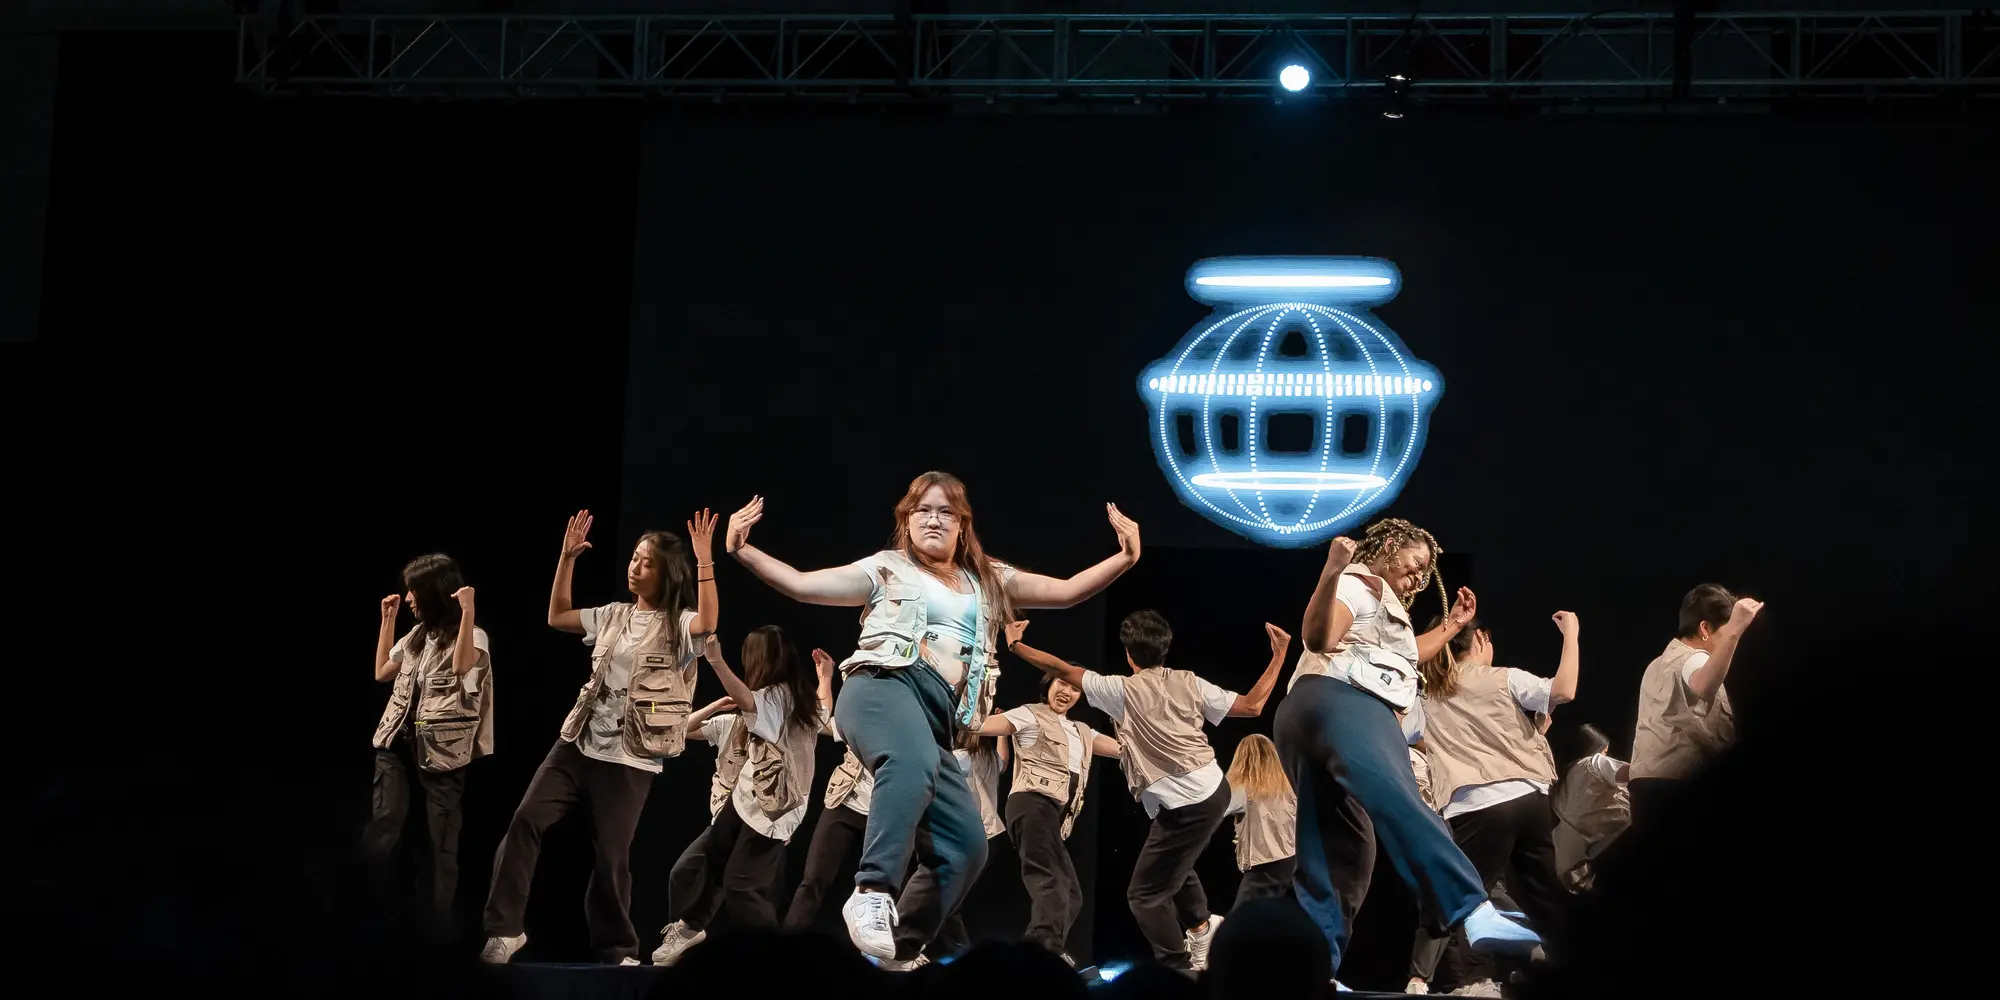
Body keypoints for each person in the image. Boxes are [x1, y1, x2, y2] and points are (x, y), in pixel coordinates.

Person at [723, 473, 1142, 961]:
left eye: (946, 512)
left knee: (966, 845)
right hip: (882, 687)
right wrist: (740, 550)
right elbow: (800, 585)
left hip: (935, 722)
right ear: (907, 519)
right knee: (912, 762)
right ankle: (872, 891)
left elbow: (1068, 591)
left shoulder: (989, 579)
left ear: (963, 525)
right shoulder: (886, 569)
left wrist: (1126, 558)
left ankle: (898, 950)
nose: (934, 519)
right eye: (923, 510)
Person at [1277, 519, 1541, 983]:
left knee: (1340, 852)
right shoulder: (1364, 583)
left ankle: (1312, 971)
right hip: (1346, 704)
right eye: (1416, 562)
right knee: (1403, 800)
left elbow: (1406, 655)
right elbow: (1319, 638)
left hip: (1302, 715)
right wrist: (1331, 572)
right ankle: (1470, 908)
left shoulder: (1382, 606)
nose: (1421, 575)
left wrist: (1452, 626)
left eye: (1427, 571)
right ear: (1387, 548)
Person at [480, 510, 719, 965]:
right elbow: (557, 616)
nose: (634, 567)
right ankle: (505, 931)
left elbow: (707, 622)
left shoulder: (680, 624)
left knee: (612, 857)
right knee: (525, 821)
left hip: (631, 757)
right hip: (578, 742)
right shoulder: (613, 615)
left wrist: (705, 558)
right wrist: (566, 558)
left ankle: (616, 949)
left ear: (666, 574)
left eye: (646, 562)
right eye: (633, 558)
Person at [1008, 615, 1291, 973]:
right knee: (1175, 866)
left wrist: (1015, 645)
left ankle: (1178, 969)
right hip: (1210, 790)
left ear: (1129, 655)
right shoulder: (1189, 682)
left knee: (1144, 896)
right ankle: (1202, 927)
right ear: (1165, 648)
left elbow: (1060, 667)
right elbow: (1253, 705)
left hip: (1187, 804)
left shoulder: (1119, 689)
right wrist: (1279, 653)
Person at [1404, 611, 1580, 995]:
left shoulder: (1426, 700)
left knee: (1450, 891)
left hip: (1479, 807)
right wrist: (1572, 634)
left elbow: (1402, 735)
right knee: (1542, 894)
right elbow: (1563, 691)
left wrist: (1440, 743)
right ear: (1481, 639)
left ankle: (1419, 978)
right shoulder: (1504, 678)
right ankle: (1571, 969)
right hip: (1530, 801)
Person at [653, 631, 833, 964]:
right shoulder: (799, 699)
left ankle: (775, 957)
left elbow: (748, 699)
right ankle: (691, 928)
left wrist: (716, 661)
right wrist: (825, 678)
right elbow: (824, 707)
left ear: (759, 660)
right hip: (744, 798)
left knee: (740, 887)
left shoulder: (779, 696)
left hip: (772, 811)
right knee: (711, 859)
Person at [363, 553, 493, 920]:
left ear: (435, 592)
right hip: (397, 745)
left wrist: (467, 612)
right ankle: (364, 911)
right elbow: (382, 672)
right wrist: (387, 621)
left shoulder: (473, 636)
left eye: (414, 591)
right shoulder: (418, 636)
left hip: (443, 751)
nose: (408, 599)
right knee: (384, 825)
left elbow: (461, 665)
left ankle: (434, 928)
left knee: (439, 844)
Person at [973, 671, 1122, 962]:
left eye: (1075, 689)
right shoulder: (1029, 714)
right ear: (1049, 685)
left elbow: (1124, 751)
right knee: (1051, 881)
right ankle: (1037, 955)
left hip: (1054, 816)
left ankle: (1045, 950)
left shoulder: (1082, 731)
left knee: (1071, 893)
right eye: (1061, 683)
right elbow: (980, 726)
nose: (1067, 692)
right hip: (1031, 802)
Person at [1628, 584, 1762, 831]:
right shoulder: (1694, 657)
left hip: (1645, 786)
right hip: (1675, 787)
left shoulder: (1656, 664)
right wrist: (1735, 630)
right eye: (1724, 630)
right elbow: (1702, 685)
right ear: (1705, 629)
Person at [782, 721, 874, 933]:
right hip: (844, 800)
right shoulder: (862, 712)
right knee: (813, 879)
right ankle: (787, 945)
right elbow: (823, 723)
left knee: (883, 887)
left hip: (885, 812)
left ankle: (900, 953)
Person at [1222, 734, 1297, 912]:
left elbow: (1212, 808)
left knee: (1240, 925)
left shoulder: (1242, 790)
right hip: (1296, 862)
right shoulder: (1290, 787)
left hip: (1266, 865)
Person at [1551, 723, 1630, 890]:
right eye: (1605, 751)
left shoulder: (1564, 776)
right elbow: (1629, 773)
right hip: (1598, 852)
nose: (1606, 755)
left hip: (1563, 855)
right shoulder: (1592, 764)